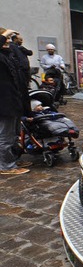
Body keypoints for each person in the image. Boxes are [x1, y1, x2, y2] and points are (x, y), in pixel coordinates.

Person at [0, 27, 31, 175]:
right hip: (4, 104)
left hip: (13, 102)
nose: (7, 41)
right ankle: (6, 166)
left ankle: (13, 160)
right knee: (5, 137)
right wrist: (5, 34)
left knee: (13, 135)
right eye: (4, 39)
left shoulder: (8, 55)